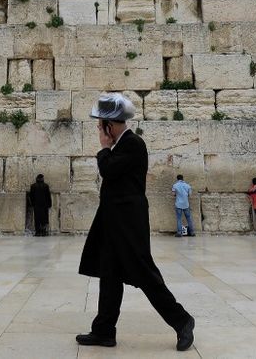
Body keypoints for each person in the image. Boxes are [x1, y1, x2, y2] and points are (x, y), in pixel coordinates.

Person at [77, 92, 195, 352]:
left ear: (111, 124)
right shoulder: (122, 145)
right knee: (109, 275)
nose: (98, 128)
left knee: (144, 274)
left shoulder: (132, 143)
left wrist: (103, 148)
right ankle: (104, 331)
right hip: (112, 221)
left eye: (101, 123)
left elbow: (107, 170)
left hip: (128, 223)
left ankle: (183, 320)